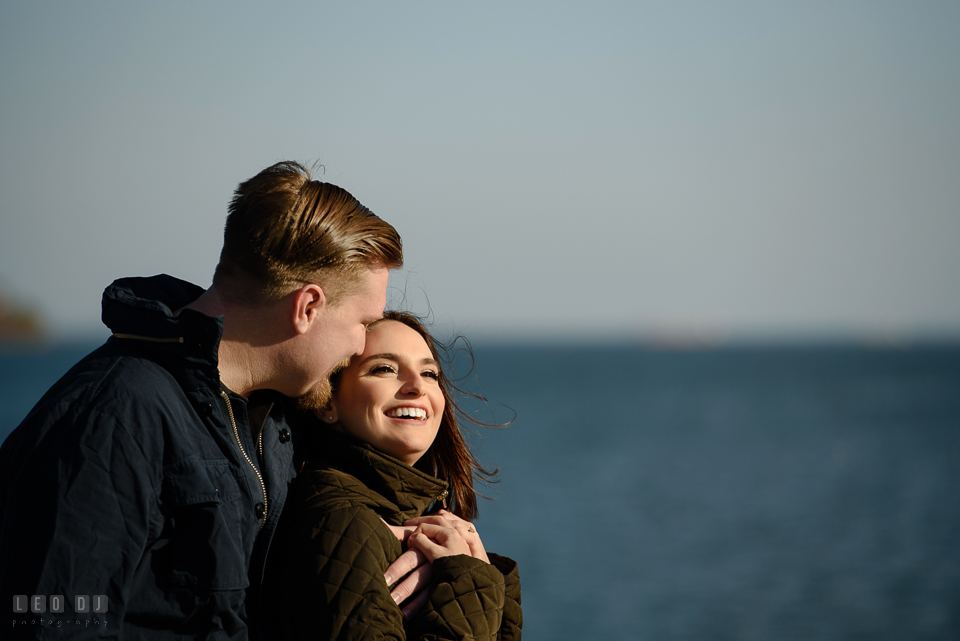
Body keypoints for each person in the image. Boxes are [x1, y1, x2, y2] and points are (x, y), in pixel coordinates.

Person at [0, 161, 405, 639]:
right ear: (308, 307)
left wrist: (423, 550)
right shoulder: (111, 417)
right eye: (362, 323)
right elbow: (50, 624)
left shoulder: (271, 419)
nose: (362, 345)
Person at [265, 311, 522, 641]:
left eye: (430, 373)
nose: (417, 387)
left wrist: (479, 573)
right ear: (327, 401)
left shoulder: (405, 520)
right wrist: (471, 586)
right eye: (384, 369)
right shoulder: (344, 524)